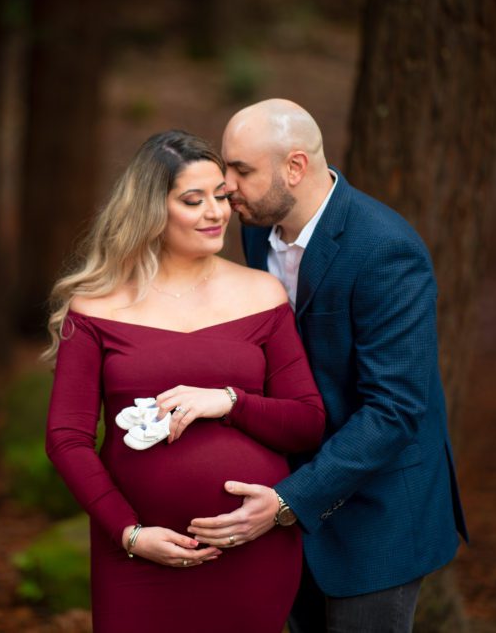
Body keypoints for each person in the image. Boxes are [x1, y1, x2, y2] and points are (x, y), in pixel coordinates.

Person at [188, 99, 467, 632]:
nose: (226, 186)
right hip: (287, 505)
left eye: (241, 170)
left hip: (379, 513)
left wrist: (289, 500)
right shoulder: (256, 230)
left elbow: (395, 410)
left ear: (295, 167)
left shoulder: (385, 249)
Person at [44, 130, 326, 633]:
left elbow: (307, 422)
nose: (215, 212)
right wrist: (128, 532)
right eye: (193, 200)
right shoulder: (95, 307)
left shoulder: (262, 294)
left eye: (221, 196)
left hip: (250, 552)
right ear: (152, 209)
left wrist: (230, 402)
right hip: (136, 558)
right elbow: (66, 438)